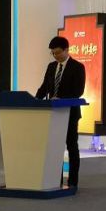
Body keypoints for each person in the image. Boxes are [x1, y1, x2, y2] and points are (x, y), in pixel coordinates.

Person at [36, 36, 86, 188]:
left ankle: (73, 182)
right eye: (53, 53)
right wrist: (35, 101)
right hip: (53, 114)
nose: (55, 56)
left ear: (66, 50)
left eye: (58, 52)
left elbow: (79, 91)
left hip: (70, 113)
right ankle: (55, 180)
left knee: (71, 147)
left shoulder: (77, 67)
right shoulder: (51, 67)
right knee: (55, 148)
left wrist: (61, 99)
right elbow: (44, 87)